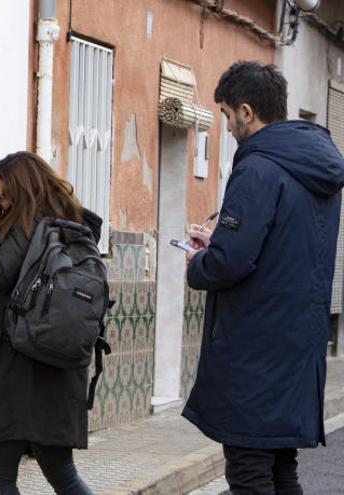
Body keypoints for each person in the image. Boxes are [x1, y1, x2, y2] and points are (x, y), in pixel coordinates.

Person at [184, 61, 344, 494]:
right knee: (279, 467)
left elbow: (230, 263)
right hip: (298, 346)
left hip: (255, 350)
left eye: (227, 115)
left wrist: (200, 261)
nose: (228, 126)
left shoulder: (257, 167)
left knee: (250, 470)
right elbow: (278, 245)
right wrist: (223, 239)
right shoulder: (315, 167)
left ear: (247, 111)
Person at [0, 151, 98, 495]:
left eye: (3, 193)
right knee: (63, 474)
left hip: (14, 372)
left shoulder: (29, 223)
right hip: (53, 371)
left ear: (22, 191)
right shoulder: (67, 220)